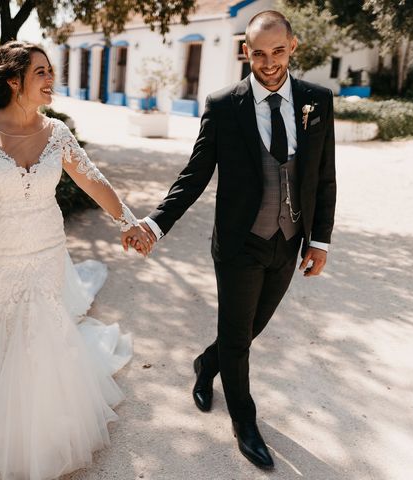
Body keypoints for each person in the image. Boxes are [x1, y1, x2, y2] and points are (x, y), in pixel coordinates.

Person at [0, 40, 153, 480]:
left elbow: (92, 180)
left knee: (42, 331)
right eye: (41, 72)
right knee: (2, 329)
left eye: (50, 71)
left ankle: (44, 432)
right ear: (13, 80)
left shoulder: (58, 133)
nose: (51, 79)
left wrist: (128, 220)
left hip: (46, 248)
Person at [134, 10, 337, 469]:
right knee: (239, 336)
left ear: (293, 46)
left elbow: (324, 178)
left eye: (278, 52)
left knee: (247, 329)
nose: (268, 63)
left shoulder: (318, 101)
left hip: (288, 241)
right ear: (245, 51)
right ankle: (245, 419)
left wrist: (319, 241)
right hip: (239, 241)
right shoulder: (224, 105)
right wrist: (155, 223)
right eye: (258, 53)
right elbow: (195, 174)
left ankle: (207, 363)